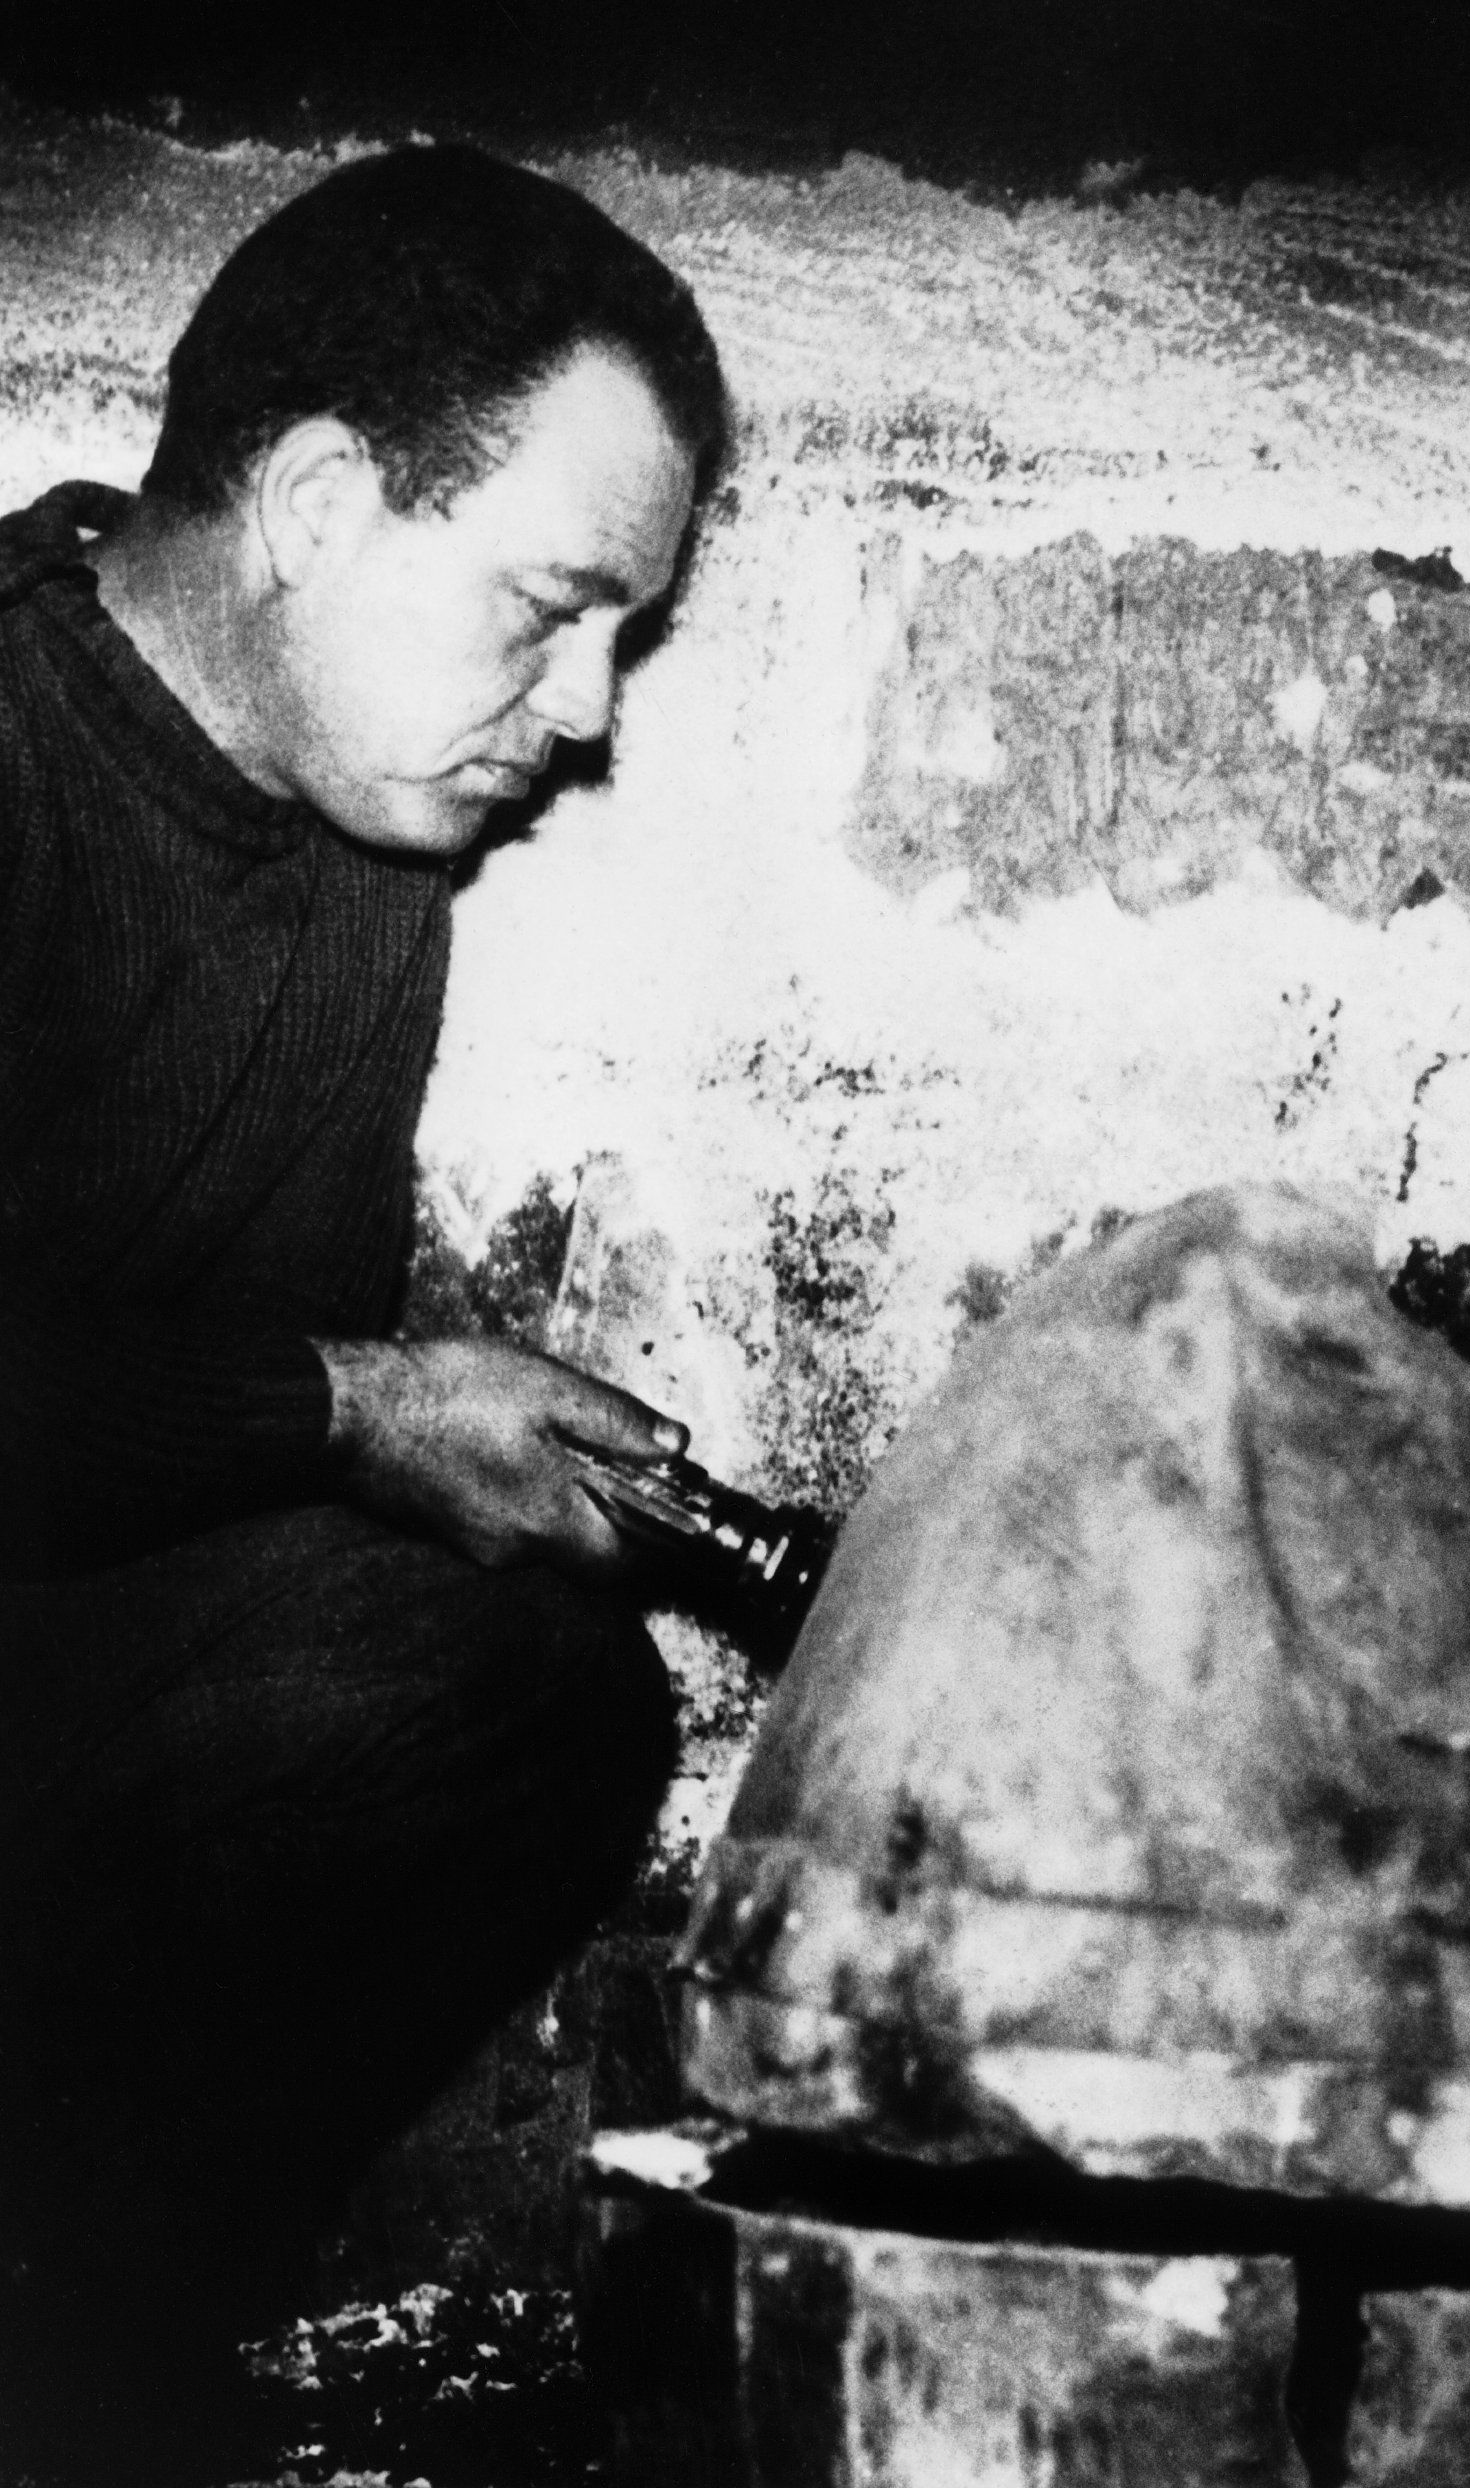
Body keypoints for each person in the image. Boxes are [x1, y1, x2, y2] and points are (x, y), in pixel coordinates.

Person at [0, 146, 732, 2476]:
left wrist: (440, 1448)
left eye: (624, 627)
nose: (588, 702)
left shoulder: (361, 843)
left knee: (523, 1688)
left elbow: (215, 1454)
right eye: (549, 603)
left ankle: (84, 2351)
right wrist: (351, 1404)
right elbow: (280, 1403)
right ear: (315, 497)